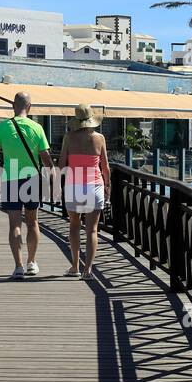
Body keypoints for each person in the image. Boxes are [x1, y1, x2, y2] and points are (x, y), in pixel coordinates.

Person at [0, 91, 53, 279]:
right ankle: (32, 263)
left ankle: (18, 267)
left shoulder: (3, 127)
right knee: (32, 222)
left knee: (14, 224)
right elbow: (46, 157)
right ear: (30, 107)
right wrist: (53, 175)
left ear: (13, 106)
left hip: (10, 178)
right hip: (32, 178)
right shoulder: (37, 127)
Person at [58, 103, 110, 279]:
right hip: (95, 185)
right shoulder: (100, 138)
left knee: (74, 226)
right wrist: (108, 186)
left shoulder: (69, 137)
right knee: (92, 230)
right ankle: (88, 269)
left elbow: (61, 164)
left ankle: (74, 266)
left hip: (74, 186)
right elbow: (105, 167)